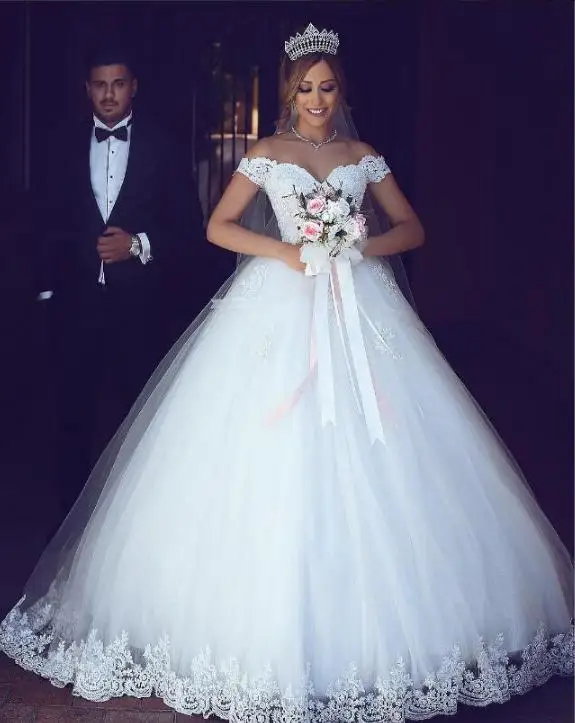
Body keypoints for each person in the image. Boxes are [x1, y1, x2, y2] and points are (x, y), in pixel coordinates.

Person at [1, 24, 572, 723]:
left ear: (340, 91)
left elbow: (411, 229)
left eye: (327, 87)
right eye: (305, 89)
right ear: (288, 93)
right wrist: (287, 252)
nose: (317, 100)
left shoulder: (362, 155)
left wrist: (354, 244)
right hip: (279, 298)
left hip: (358, 299)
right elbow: (219, 226)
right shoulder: (266, 154)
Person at [33, 48, 205, 518]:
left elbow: (191, 230)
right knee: (72, 423)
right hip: (75, 308)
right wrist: (47, 295)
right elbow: (44, 222)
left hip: (142, 311)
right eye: (100, 85)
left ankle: (137, 523)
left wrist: (139, 244)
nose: (109, 94)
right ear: (88, 89)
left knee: (139, 419)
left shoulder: (163, 147)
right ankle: (68, 529)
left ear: (134, 87)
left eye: (118, 84)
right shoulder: (60, 145)